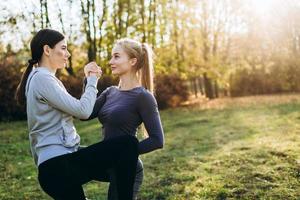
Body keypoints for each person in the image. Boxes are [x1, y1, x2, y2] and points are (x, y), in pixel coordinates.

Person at [15, 29, 139, 200]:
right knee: (128, 144)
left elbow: (78, 109)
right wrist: (93, 79)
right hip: (58, 167)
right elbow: (83, 110)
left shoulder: (41, 79)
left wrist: (88, 81)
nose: (68, 53)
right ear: (47, 50)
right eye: (64, 48)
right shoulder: (42, 79)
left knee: (129, 164)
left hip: (58, 167)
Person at [84, 38, 165, 200]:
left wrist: (123, 154)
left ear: (132, 61)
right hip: (108, 161)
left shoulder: (143, 96)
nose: (110, 61)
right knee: (64, 165)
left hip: (128, 168)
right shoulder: (110, 92)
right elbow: (84, 114)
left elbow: (157, 140)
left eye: (116, 56)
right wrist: (89, 80)